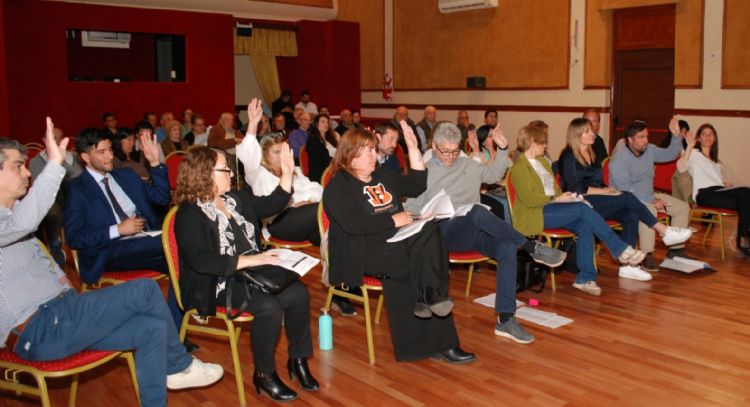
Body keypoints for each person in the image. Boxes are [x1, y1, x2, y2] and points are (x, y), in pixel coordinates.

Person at [0, 119, 223, 407]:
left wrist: (63, 284)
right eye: (18, 165)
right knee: (144, 290)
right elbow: (43, 227)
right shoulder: (21, 217)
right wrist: (54, 164)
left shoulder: (15, 218)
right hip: (38, 330)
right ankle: (179, 365)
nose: (26, 172)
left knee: (151, 329)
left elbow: (37, 254)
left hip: (62, 314)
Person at [174, 144, 317, 402]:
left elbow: (273, 203)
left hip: (253, 271)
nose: (230, 172)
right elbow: (200, 260)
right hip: (218, 281)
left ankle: (298, 360)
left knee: (297, 293)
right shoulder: (189, 213)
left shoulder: (237, 199)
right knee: (269, 307)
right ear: (204, 173)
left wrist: (286, 173)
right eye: (224, 169)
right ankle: (264, 374)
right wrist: (247, 261)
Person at [324, 125, 476, 364]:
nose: (376, 155)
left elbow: (417, 184)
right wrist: (392, 219)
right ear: (351, 157)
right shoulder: (338, 186)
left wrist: (414, 149)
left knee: (429, 229)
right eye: (369, 152)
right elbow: (353, 224)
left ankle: (430, 297)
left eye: (375, 150)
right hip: (363, 250)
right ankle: (439, 332)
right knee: (422, 263)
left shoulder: (381, 175)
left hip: (395, 242)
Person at [404, 122, 566, 343]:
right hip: (444, 233)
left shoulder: (467, 164)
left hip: (473, 230)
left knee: (507, 247)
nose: (451, 156)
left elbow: (493, 175)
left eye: (455, 151)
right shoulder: (424, 172)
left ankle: (506, 319)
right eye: (445, 151)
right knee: (478, 212)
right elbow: (411, 210)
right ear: (434, 146)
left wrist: (500, 149)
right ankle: (530, 246)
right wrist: (420, 216)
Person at [63, 128, 183, 330]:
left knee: (182, 259)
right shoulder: (76, 189)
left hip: (145, 241)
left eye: (110, 150)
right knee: (174, 241)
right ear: (85, 157)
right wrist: (117, 230)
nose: (109, 156)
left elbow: (162, 198)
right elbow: (74, 238)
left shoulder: (125, 175)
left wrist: (155, 163)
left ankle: (173, 332)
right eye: (101, 152)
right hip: (108, 250)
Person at [511, 124, 647, 296]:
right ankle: (620, 249)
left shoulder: (543, 164)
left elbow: (556, 190)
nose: (546, 146)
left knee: (584, 225)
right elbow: (530, 199)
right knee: (583, 210)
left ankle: (585, 278)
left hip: (552, 208)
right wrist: (557, 199)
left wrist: (568, 197)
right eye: (543, 143)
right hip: (535, 213)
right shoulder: (519, 168)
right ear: (532, 143)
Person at [558, 118, 692, 280]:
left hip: (597, 199)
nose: (593, 133)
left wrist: (607, 191)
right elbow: (574, 188)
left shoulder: (591, 153)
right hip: (579, 202)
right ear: (577, 135)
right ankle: (664, 231)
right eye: (588, 131)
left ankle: (628, 266)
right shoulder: (568, 155)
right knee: (628, 197)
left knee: (631, 214)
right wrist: (603, 191)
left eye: (591, 130)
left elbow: (598, 181)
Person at [609, 118, 693, 268]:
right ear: (630, 139)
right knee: (649, 210)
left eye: (647, 136)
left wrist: (676, 136)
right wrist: (651, 200)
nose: (645, 141)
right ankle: (646, 254)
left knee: (682, 208)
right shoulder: (619, 159)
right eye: (641, 137)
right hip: (626, 199)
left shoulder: (650, 150)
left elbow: (670, 154)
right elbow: (625, 190)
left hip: (648, 195)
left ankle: (676, 250)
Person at [678, 123, 750, 256]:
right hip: (704, 194)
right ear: (698, 139)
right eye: (704, 134)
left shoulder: (717, 162)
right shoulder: (694, 153)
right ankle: (743, 240)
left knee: (745, 202)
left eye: (711, 134)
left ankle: (743, 242)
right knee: (746, 192)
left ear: (715, 138)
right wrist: (689, 146)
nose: (708, 136)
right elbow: (681, 167)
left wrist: (724, 183)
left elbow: (715, 180)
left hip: (718, 191)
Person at [28, 126, 82, 266]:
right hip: (51, 198)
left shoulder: (72, 157)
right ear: (45, 140)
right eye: (53, 137)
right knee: (52, 212)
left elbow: (79, 178)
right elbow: (39, 188)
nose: (57, 141)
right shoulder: (36, 161)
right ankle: (55, 246)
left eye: (60, 137)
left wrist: (65, 161)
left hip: (72, 194)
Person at [305, 113, 337, 183]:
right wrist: (339, 163)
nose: (326, 124)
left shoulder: (330, 138)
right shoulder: (313, 140)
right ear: (316, 124)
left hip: (332, 169)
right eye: (323, 122)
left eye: (327, 122)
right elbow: (325, 158)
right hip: (320, 174)